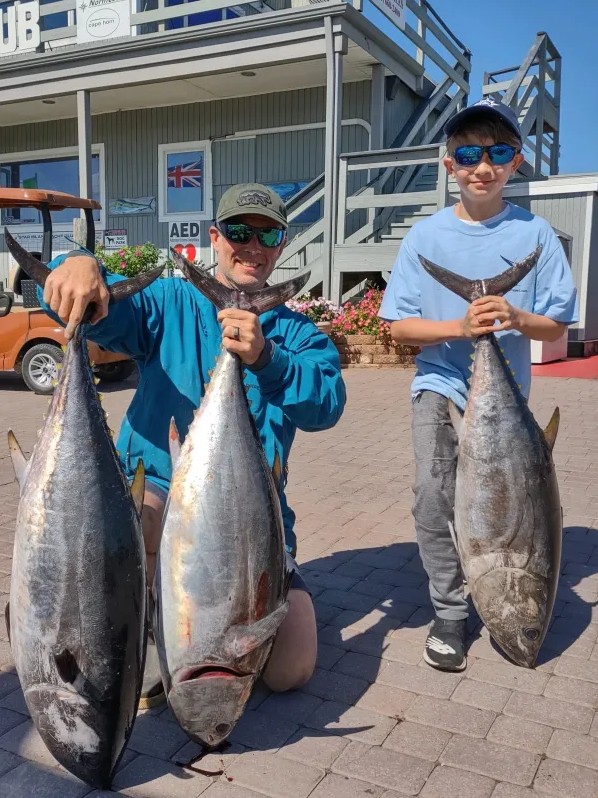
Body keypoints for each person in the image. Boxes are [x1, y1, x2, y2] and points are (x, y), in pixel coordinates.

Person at [39, 182, 346, 703]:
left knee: (291, 668)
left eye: (268, 235)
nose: (252, 246)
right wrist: (77, 265)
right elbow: (97, 312)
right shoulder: (169, 302)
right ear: (215, 237)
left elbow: (327, 404)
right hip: (161, 492)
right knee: (142, 518)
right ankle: (150, 624)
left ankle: (199, 625)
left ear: (281, 244)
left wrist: (267, 358)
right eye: (239, 231)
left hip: (253, 512)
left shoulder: (297, 333)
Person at [379, 99, 578, 672]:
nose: (482, 167)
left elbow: (556, 325)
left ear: (516, 161)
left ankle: (498, 582)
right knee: (433, 495)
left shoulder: (536, 234)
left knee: (513, 503)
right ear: (450, 164)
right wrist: (461, 328)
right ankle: (449, 610)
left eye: (498, 153)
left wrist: (514, 316)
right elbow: (399, 328)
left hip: (505, 399)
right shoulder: (424, 237)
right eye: (468, 154)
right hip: (440, 381)